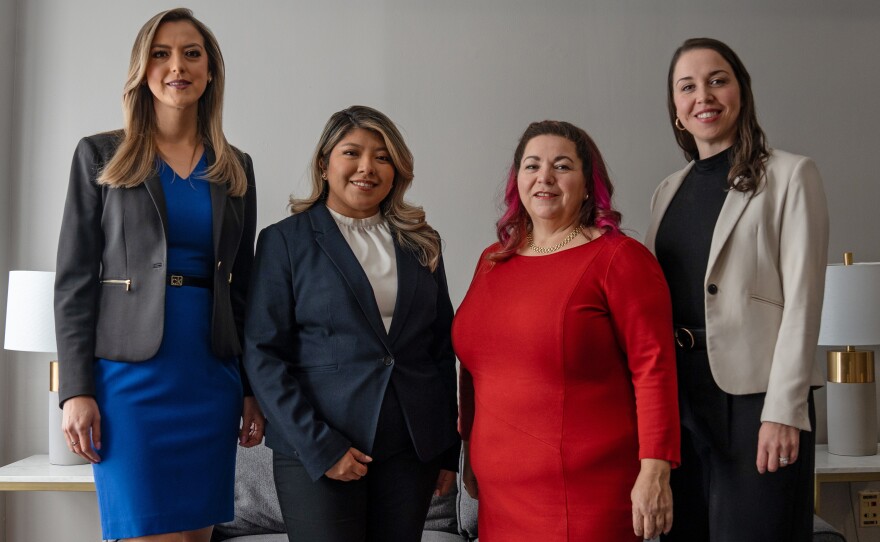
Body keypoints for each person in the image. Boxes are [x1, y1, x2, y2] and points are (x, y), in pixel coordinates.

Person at [54, 8, 264, 542]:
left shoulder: (235, 167)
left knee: (196, 536)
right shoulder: (100, 155)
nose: (177, 66)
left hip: (209, 377)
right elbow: (75, 281)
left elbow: (243, 288)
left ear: (210, 72)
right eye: (161, 54)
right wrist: (75, 390)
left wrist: (248, 388)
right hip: (128, 383)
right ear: (142, 69)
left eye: (192, 54)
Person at [454, 120, 680, 541]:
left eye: (562, 166)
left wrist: (655, 469)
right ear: (517, 181)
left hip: (586, 495)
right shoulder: (492, 260)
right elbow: (474, 367)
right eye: (532, 166)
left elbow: (655, 370)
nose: (545, 177)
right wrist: (468, 454)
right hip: (499, 499)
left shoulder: (619, 259)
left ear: (588, 183)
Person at [243, 105, 460, 542]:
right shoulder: (284, 241)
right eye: (352, 153)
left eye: (382, 157)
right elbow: (263, 354)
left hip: (410, 452)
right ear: (324, 164)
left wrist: (445, 451)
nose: (367, 167)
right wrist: (320, 447)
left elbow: (440, 349)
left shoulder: (422, 242)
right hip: (318, 448)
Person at [646, 37, 829, 542]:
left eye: (717, 81)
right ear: (676, 110)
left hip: (756, 401)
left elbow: (803, 303)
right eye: (687, 87)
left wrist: (784, 410)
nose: (703, 96)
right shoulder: (667, 191)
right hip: (681, 399)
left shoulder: (791, 175)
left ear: (741, 93)